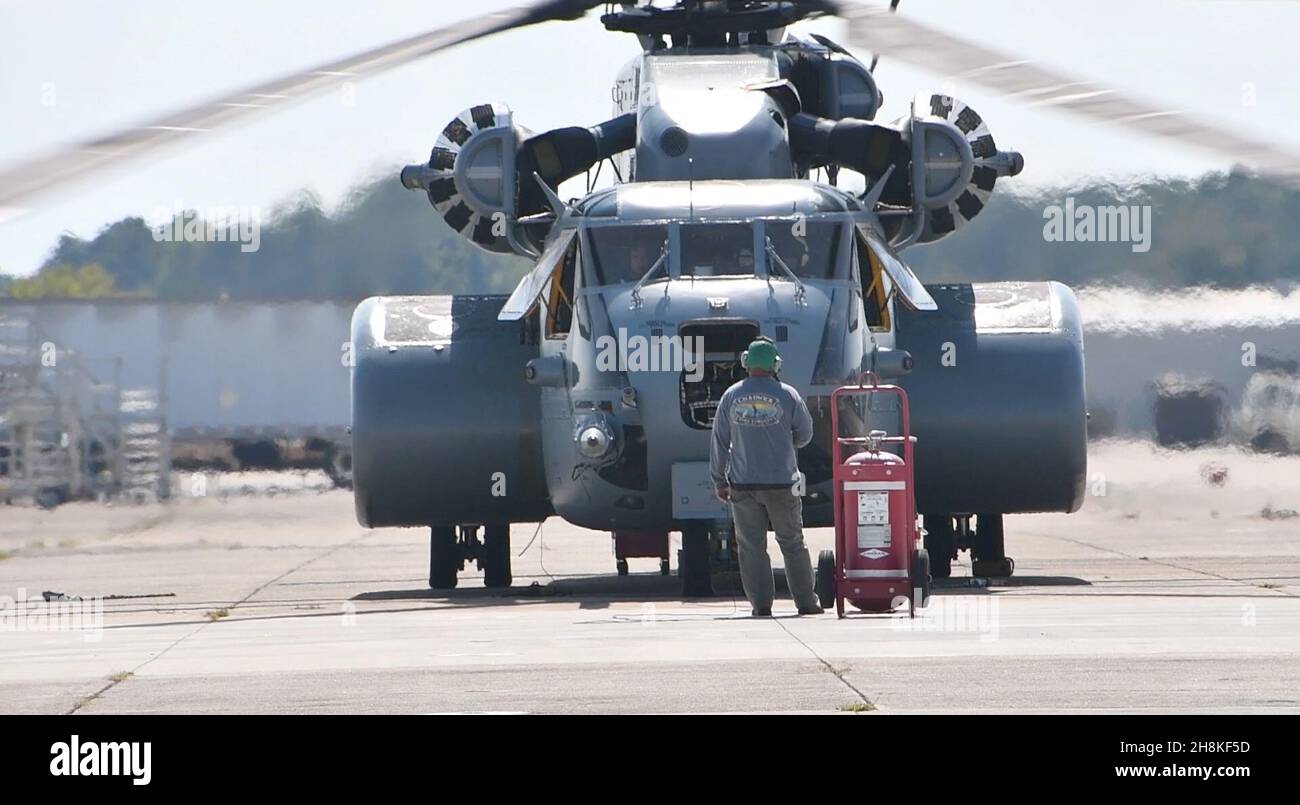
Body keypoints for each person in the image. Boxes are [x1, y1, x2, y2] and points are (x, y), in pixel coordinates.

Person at [709, 338, 823, 617]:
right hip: (783, 484)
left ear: (746, 362)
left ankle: (761, 606)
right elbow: (806, 435)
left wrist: (719, 480)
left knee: (751, 547)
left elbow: (719, 441)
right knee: (793, 542)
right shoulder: (789, 395)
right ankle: (806, 602)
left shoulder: (731, 396)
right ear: (776, 365)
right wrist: (785, 441)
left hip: (743, 485)